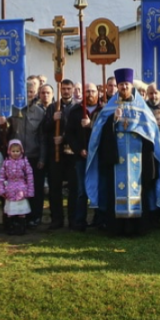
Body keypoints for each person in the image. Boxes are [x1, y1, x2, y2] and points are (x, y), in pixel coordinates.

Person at [86, 68, 160, 236]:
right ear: (118, 86)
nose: (124, 87)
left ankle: (137, 228)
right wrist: (113, 120)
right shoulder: (109, 108)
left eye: (126, 84)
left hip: (138, 157)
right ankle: (117, 228)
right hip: (115, 158)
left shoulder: (142, 107)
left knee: (139, 191)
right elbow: (99, 133)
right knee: (114, 191)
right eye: (121, 84)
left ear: (131, 86)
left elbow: (151, 131)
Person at [11, 80, 49, 229]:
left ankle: (35, 216)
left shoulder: (40, 112)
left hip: (34, 156)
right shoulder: (13, 110)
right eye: (25, 92)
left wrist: (42, 158)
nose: (28, 94)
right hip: (17, 157)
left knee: (36, 189)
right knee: (18, 188)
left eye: (31, 92)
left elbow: (43, 138)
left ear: (35, 94)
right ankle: (20, 217)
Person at [65, 83, 102, 231]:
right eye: (87, 91)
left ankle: (99, 219)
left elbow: (106, 130)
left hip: (98, 156)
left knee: (99, 187)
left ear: (97, 93)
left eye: (92, 91)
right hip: (82, 157)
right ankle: (80, 221)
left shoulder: (103, 110)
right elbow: (69, 134)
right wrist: (79, 149)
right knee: (82, 190)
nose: (90, 94)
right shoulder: (75, 111)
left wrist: (90, 125)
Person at [41, 79, 77, 229]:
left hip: (72, 153)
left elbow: (77, 130)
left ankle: (73, 219)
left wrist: (64, 138)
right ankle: (57, 219)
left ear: (73, 90)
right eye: (64, 88)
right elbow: (44, 128)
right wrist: (53, 120)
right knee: (55, 188)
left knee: (74, 188)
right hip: (55, 154)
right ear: (60, 90)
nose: (66, 91)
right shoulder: (52, 107)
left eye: (69, 88)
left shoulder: (77, 107)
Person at [0, 139, 35, 236]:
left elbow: (30, 176)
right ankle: (11, 228)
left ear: (21, 151)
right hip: (9, 191)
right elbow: (1, 177)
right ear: (9, 151)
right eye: (13, 151)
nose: (15, 153)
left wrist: (30, 191)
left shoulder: (24, 162)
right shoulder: (6, 163)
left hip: (21, 191)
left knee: (21, 211)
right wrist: (2, 190)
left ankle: (21, 228)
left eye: (17, 151)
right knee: (11, 211)